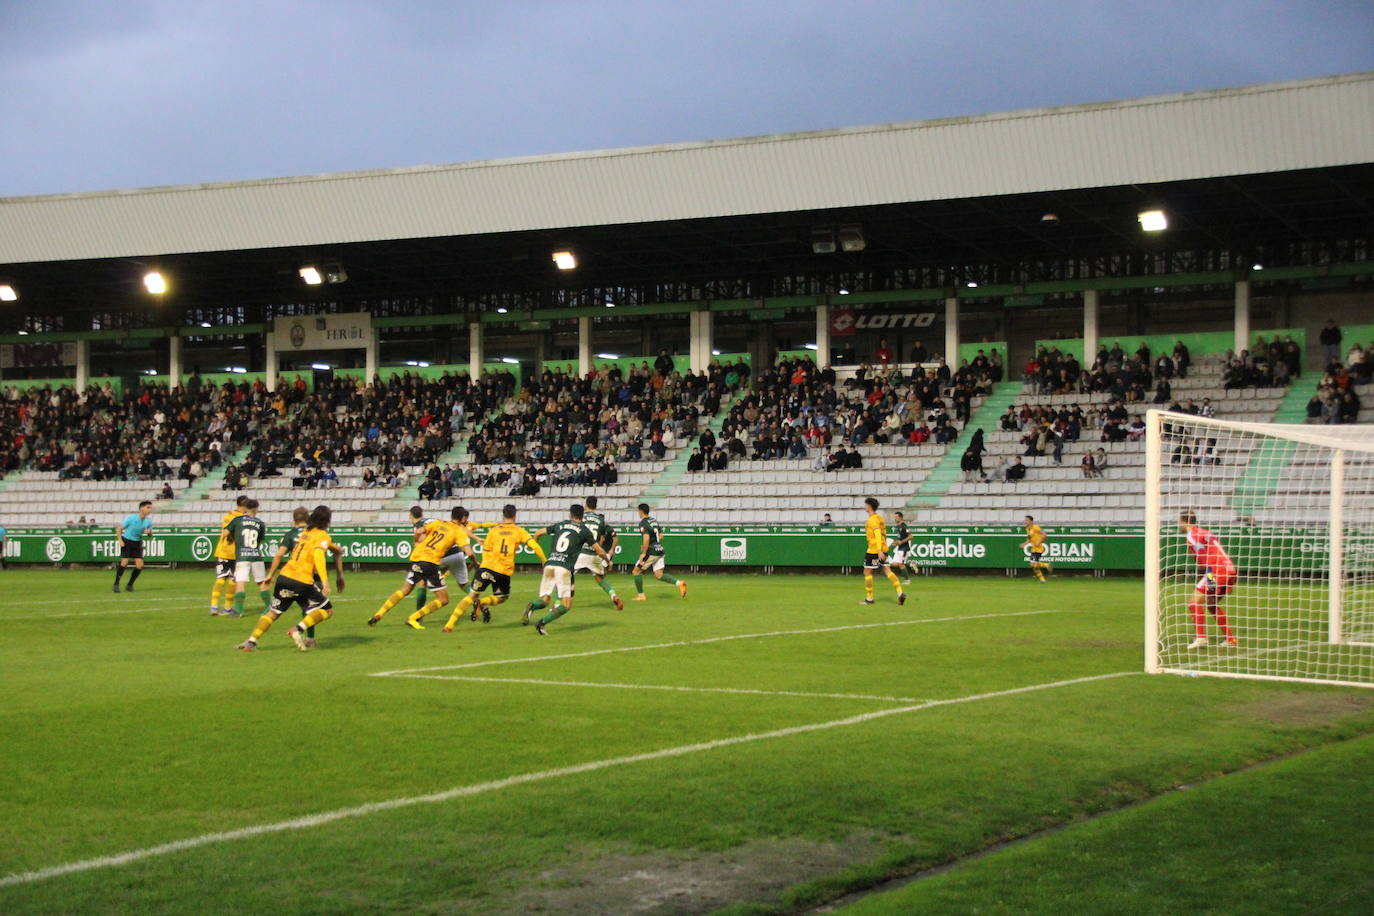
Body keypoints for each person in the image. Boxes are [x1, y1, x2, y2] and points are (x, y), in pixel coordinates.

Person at [239, 506, 345, 650]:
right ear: (327, 520)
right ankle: (298, 629)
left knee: (273, 612)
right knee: (327, 610)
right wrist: (326, 582)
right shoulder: (322, 535)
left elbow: (326, 547)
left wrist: (336, 549)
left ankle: (251, 641)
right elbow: (318, 555)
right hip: (302, 580)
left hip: (285, 577)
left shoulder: (306, 533)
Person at [445, 504, 547, 630]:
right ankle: (482, 602)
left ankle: (449, 625)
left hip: (486, 567)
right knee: (502, 597)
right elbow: (534, 546)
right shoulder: (519, 531)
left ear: (502, 516)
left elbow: (486, 549)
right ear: (515, 516)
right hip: (502, 570)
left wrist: (483, 566)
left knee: (471, 595)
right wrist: (544, 560)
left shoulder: (494, 531)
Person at [523, 503, 613, 635]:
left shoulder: (560, 525)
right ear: (582, 516)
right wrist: (607, 561)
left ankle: (532, 606)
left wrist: (535, 543)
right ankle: (541, 624)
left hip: (550, 564)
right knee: (566, 604)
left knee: (545, 600)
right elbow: (599, 551)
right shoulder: (583, 530)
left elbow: (539, 532)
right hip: (564, 568)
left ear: (570, 514)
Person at [1181, 511, 1238, 648]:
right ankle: (1231, 640)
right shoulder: (1206, 532)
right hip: (1229, 569)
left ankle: (1201, 637)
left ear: (1184, 522)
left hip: (1216, 571)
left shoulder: (1191, 536)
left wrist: (1209, 577)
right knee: (1211, 604)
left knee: (1194, 602)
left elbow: (1203, 559)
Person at [570, 494, 624, 610]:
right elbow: (608, 537)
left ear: (586, 505)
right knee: (600, 578)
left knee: (566, 574)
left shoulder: (581, 517)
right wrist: (608, 554)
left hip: (581, 552)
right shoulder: (601, 520)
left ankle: (559, 603)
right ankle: (613, 595)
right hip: (594, 553)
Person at [223, 499, 270, 618]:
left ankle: (238, 610)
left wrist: (233, 536)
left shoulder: (237, 520)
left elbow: (225, 533)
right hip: (256, 555)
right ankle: (269, 607)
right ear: (256, 509)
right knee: (261, 582)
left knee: (240, 582)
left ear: (245, 508)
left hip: (242, 556)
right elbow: (259, 540)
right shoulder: (260, 523)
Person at [631, 502, 688, 600]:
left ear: (641, 511)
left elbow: (646, 539)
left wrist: (644, 552)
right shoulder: (654, 521)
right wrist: (654, 542)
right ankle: (680, 583)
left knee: (636, 571)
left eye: (638, 511)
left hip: (651, 551)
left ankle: (641, 596)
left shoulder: (643, 523)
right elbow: (661, 535)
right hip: (660, 549)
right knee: (659, 574)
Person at [860, 497, 906, 606]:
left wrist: (879, 550)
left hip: (874, 550)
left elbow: (877, 534)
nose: (864, 506)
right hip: (884, 548)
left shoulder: (872, 520)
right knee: (887, 571)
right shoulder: (880, 518)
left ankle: (869, 598)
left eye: (865, 504)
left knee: (867, 572)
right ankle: (900, 593)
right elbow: (883, 534)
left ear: (869, 506)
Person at [209, 495, 249, 616]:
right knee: (229, 579)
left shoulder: (229, 516)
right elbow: (227, 533)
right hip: (229, 552)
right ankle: (223, 607)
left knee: (227, 579)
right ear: (243, 505)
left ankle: (217, 607)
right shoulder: (240, 518)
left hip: (230, 552)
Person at [112, 500, 155, 592]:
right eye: (148, 507)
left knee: (140, 565)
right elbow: (119, 528)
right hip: (127, 540)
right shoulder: (132, 518)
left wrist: (149, 533)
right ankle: (116, 584)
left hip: (137, 542)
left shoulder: (148, 521)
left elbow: (150, 534)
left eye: (150, 508)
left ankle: (130, 585)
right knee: (124, 562)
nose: (150, 510)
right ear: (141, 508)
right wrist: (120, 540)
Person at [887, 510, 913, 584]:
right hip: (900, 548)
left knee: (901, 564)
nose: (895, 518)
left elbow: (911, 536)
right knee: (894, 564)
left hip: (904, 548)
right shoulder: (897, 527)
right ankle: (911, 564)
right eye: (894, 517)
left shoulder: (904, 526)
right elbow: (900, 538)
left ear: (901, 518)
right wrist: (895, 543)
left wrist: (901, 542)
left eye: (896, 517)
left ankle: (907, 580)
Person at [1021, 515, 1049, 583]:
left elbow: (1045, 534)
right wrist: (1024, 544)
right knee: (1034, 566)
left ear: (1031, 521)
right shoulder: (1028, 529)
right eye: (1025, 520)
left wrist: (1039, 542)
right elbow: (1029, 538)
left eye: (1027, 520)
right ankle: (1042, 579)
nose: (1025, 521)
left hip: (1038, 548)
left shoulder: (1036, 527)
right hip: (1034, 548)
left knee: (1033, 564)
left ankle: (1046, 565)